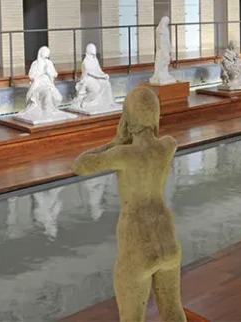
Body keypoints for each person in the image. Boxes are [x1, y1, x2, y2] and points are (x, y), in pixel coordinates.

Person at [73, 87, 186, 322]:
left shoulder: (123, 154)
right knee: (174, 312)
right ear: (156, 114)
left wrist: (113, 142)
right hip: (167, 239)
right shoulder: (168, 145)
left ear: (127, 117)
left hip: (137, 242)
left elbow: (81, 165)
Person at [22, 46, 63, 117]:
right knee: (47, 92)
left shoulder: (49, 63)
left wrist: (49, 72)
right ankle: (46, 111)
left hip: (49, 84)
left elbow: (55, 74)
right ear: (41, 52)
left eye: (48, 52)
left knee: (58, 97)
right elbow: (31, 76)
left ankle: (49, 110)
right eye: (46, 52)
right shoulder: (35, 64)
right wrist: (42, 72)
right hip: (39, 86)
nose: (48, 54)